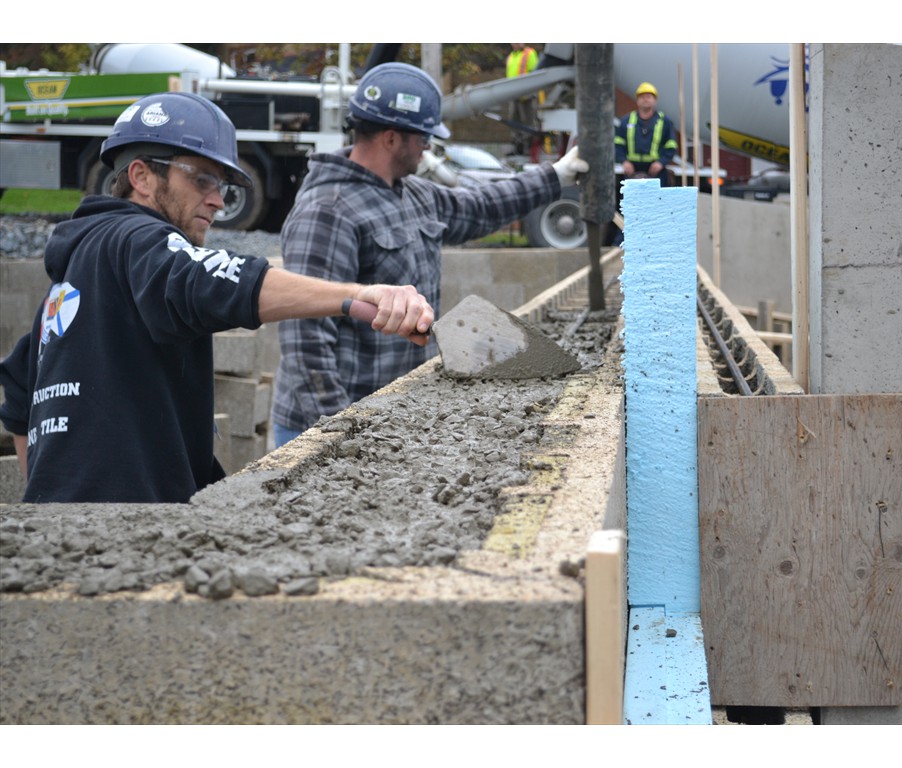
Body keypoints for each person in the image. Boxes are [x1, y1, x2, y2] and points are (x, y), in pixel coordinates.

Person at [0, 92, 434, 504]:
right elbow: (222, 280)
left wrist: (47, 504)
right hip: (124, 531)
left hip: (64, 530)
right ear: (142, 176)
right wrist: (357, 295)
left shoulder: (69, 281)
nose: (218, 201)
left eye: (224, 186)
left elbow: (20, 395)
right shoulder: (137, 239)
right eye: (204, 178)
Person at [271, 61, 588, 448]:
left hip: (385, 414)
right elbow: (306, 341)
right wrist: (339, 436)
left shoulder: (411, 194)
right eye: (422, 137)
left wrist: (555, 176)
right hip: (327, 423)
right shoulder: (327, 211)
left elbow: (481, 206)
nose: (427, 147)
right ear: (390, 138)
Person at [614, 81, 679, 186]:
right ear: (637, 100)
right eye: (642, 96)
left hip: (656, 170)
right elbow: (618, 144)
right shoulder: (626, 121)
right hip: (632, 169)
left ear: (655, 100)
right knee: (632, 200)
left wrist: (661, 162)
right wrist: (624, 162)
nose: (645, 99)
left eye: (649, 96)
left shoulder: (665, 122)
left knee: (657, 200)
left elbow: (671, 146)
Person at [505, 44, 540, 159]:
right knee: (513, 120)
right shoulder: (511, 56)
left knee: (528, 121)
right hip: (513, 93)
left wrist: (530, 90)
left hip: (527, 94)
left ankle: (528, 148)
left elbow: (535, 73)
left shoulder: (529, 53)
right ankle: (517, 147)